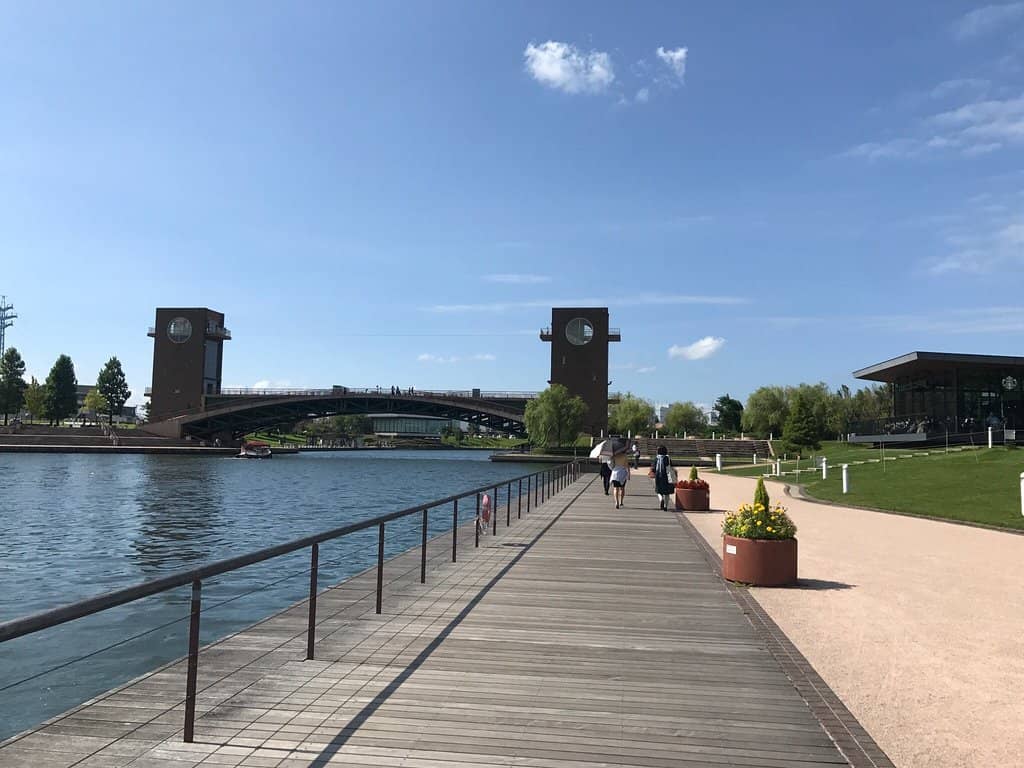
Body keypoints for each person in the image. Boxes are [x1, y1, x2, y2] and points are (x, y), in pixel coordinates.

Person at [652, 445, 674, 511]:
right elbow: (671, 467)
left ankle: (661, 499)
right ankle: (665, 506)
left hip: (658, 476)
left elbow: (653, 469)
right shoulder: (668, 458)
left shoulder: (656, 458)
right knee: (667, 492)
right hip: (667, 476)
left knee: (659, 490)